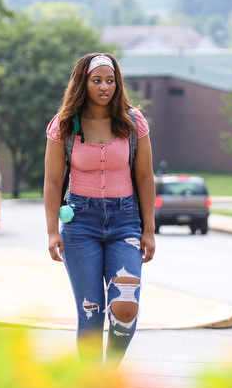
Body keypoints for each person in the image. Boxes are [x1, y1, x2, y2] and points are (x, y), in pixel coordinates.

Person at [43, 52, 156, 367]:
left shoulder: (133, 122)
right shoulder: (65, 125)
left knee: (125, 305)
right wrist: (53, 231)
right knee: (90, 311)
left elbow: (145, 177)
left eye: (110, 81)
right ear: (84, 83)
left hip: (125, 222)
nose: (105, 87)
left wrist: (149, 230)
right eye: (97, 81)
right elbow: (52, 182)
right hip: (80, 224)